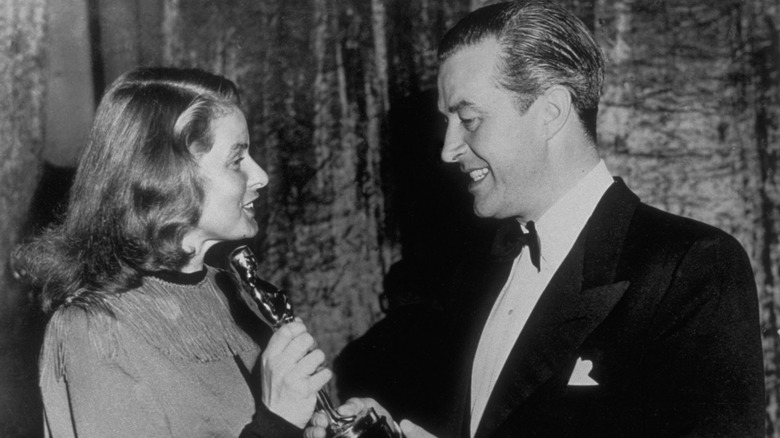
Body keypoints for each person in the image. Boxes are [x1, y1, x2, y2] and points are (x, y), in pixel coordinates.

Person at [308, 1, 765, 437]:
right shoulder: (477, 273)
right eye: (447, 122)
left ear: (551, 112)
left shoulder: (692, 268)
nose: (448, 150)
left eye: (468, 119)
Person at [13, 67, 331, 437]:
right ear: (166, 175)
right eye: (236, 160)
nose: (260, 176)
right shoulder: (92, 329)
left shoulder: (227, 289)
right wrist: (276, 422)